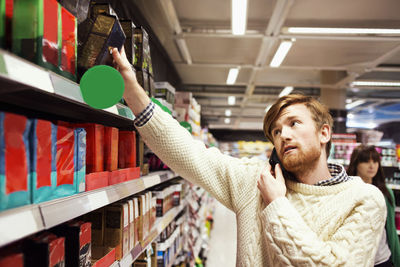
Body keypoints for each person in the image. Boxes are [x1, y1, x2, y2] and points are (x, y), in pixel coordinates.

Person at [112, 47, 386, 266]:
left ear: (324, 132)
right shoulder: (255, 181)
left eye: (293, 124)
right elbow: (190, 154)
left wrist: (277, 204)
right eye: (276, 131)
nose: (284, 135)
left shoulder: (364, 199)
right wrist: (133, 91)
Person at [348, 145, 400, 267]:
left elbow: (390, 229)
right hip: (356, 259)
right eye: (366, 161)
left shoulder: (385, 192)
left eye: (375, 161)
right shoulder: (347, 191)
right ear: (356, 164)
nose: (372, 166)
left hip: (382, 258)